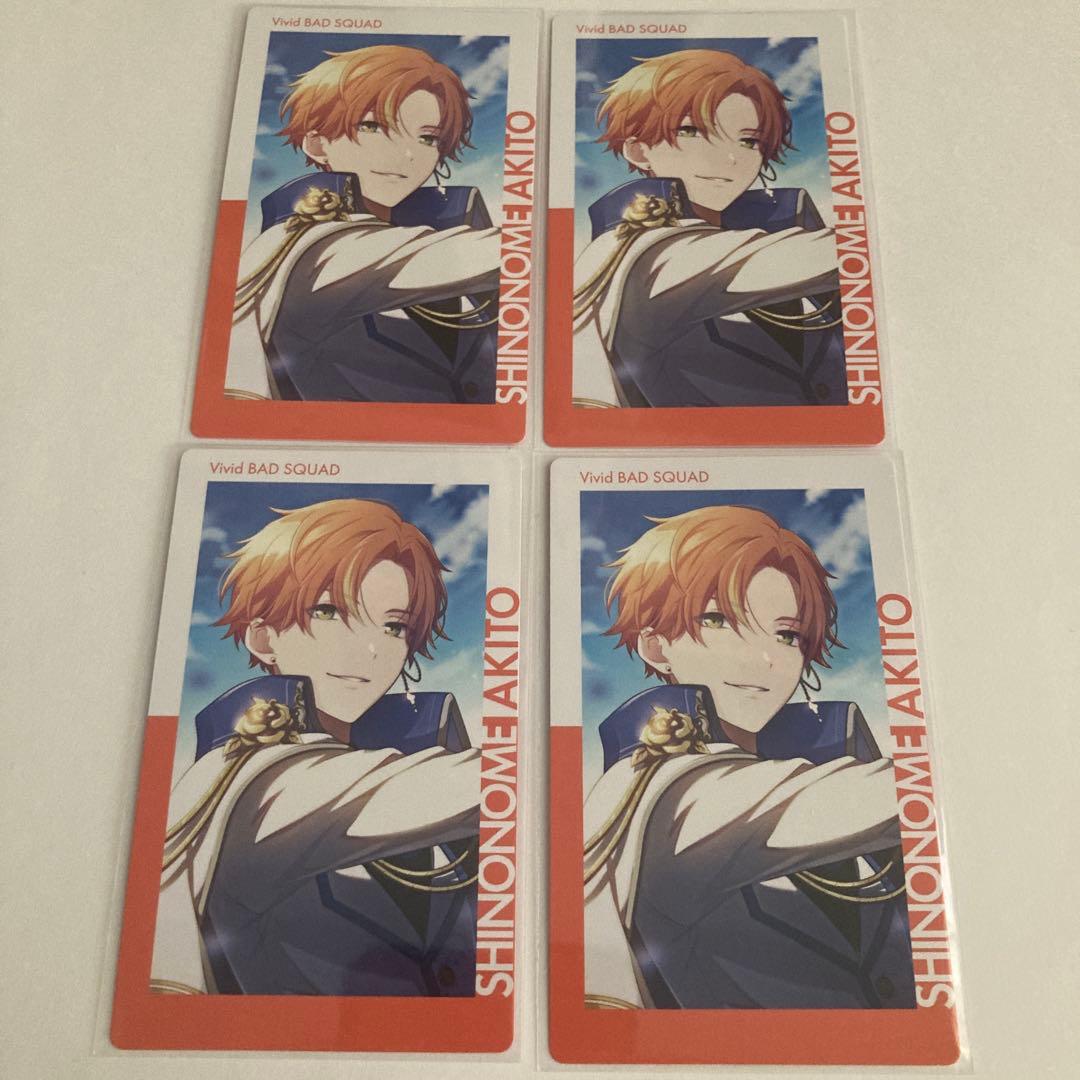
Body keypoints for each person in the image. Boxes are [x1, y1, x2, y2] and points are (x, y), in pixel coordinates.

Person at [583, 505, 915, 1010]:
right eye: (719, 621)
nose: (764, 657)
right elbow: (905, 796)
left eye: (786, 634)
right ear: (656, 646)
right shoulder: (672, 793)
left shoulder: (798, 765)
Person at [152, 499, 480, 997]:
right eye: (329, 613)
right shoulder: (259, 782)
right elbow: (479, 787)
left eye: (394, 626)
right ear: (264, 639)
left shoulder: (394, 753)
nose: (370, 649)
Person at [572, 49, 846, 409]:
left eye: (749, 141)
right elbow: (844, 255)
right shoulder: (648, 254)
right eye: (692, 132)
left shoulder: (763, 229)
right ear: (638, 151)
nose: (730, 157)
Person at [227, 45, 500, 404]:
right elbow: (494, 256)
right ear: (317, 144)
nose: (407, 154)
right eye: (373, 127)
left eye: (427, 138)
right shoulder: (314, 248)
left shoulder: (426, 227)